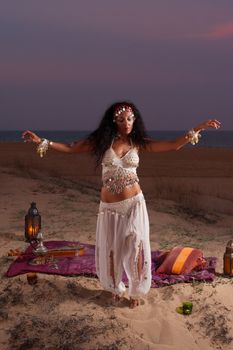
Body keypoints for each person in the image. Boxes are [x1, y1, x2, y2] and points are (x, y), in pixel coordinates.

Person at [22, 101, 221, 308]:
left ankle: (135, 290)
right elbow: (72, 148)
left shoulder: (138, 142)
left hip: (134, 204)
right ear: (114, 121)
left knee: (135, 247)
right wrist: (42, 141)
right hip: (110, 209)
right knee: (112, 250)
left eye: (129, 119)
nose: (126, 123)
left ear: (134, 120)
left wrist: (198, 128)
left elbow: (173, 145)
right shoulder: (102, 142)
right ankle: (115, 287)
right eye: (121, 119)